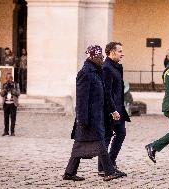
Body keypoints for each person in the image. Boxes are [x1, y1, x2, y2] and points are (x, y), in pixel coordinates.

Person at [63, 45, 125, 182]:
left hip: (97, 116)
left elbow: (105, 94)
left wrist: (112, 109)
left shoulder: (98, 72)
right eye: (100, 56)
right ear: (92, 57)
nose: (102, 58)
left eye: (102, 56)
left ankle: (69, 172)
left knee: (79, 146)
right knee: (100, 143)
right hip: (88, 118)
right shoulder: (85, 73)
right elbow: (81, 99)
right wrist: (82, 120)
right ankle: (108, 172)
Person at [98, 42, 131, 176]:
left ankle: (108, 164)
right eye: (119, 51)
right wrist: (113, 110)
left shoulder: (115, 67)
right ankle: (104, 167)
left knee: (120, 134)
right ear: (111, 52)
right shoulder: (107, 68)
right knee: (107, 137)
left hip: (118, 108)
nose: (122, 54)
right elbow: (107, 92)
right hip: (111, 110)